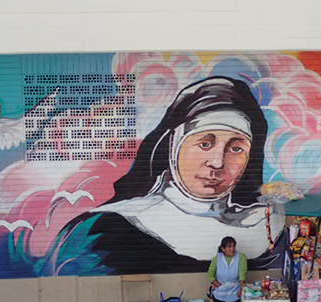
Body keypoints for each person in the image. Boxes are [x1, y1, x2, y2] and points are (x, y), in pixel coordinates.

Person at [38, 76, 284, 276]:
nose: (218, 162)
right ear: (172, 146)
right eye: (204, 144)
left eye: (236, 148)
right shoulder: (104, 228)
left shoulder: (265, 225)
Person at [207, 236, 246, 302]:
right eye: (229, 247)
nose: (232, 249)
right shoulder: (217, 258)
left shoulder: (241, 257)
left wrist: (242, 289)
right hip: (221, 289)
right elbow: (210, 274)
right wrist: (219, 285)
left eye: (233, 246)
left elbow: (242, 275)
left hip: (235, 289)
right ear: (223, 248)